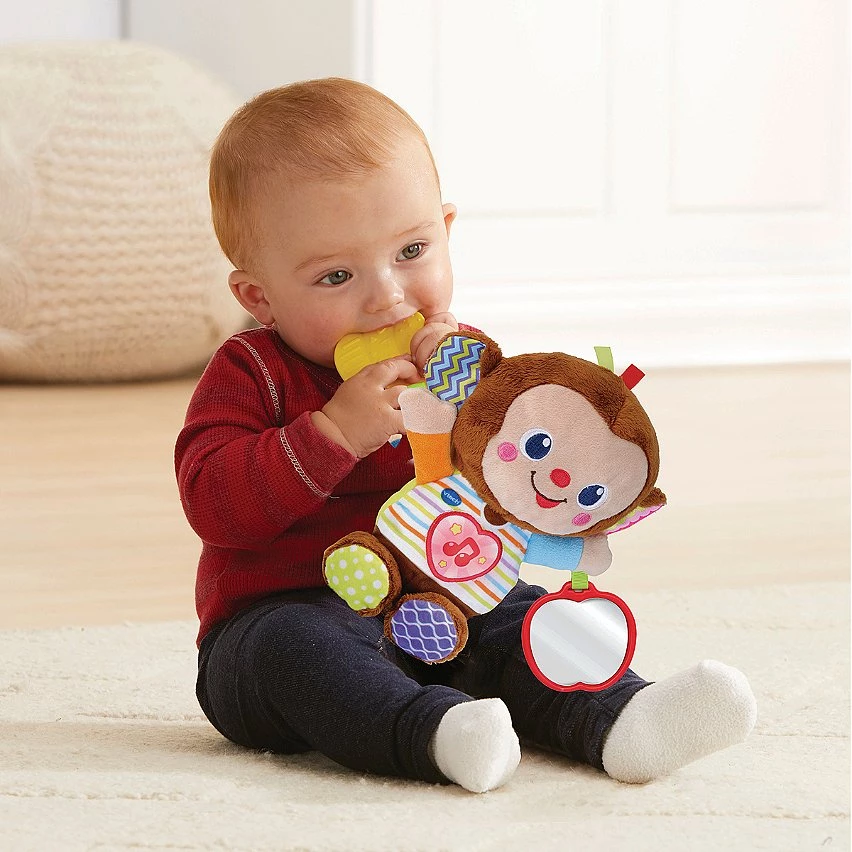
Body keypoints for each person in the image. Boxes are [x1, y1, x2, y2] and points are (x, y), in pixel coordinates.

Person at [175, 77, 756, 793]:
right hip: (289, 612)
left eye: (412, 250)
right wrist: (332, 432)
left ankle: (624, 717)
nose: (388, 296)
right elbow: (215, 504)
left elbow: (519, 473)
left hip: (451, 593)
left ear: (446, 230)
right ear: (259, 296)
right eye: (336, 275)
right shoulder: (251, 371)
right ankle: (434, 734)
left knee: (525, 619)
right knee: (292, 649)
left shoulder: (462, 362)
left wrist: (498, 409)